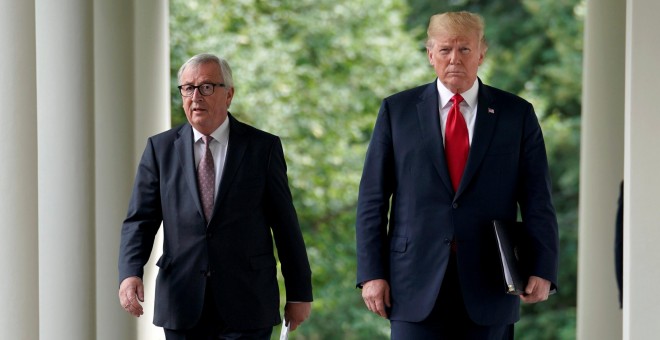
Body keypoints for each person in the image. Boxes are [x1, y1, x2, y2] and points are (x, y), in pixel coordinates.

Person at [355, 11, 559, 339]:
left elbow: (538, 199)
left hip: (491, 282)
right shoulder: (397, 111)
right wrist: (371, 274)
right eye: (445, 49)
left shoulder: (516, 114)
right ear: (430, 54)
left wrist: (542, 268)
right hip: (412, 282)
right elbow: (372, 200)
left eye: (464, 49)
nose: (454, 59)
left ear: (481, 53)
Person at [118, 53, 313, 339]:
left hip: (248, 302)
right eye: (187, 88)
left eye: (206, 87)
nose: (195, 96)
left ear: (229, 94)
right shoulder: (161, 150)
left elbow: (285, 225)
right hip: (182, 302)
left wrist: (299, 293)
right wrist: (130, 272)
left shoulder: (262, 148)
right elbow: (140, 220)